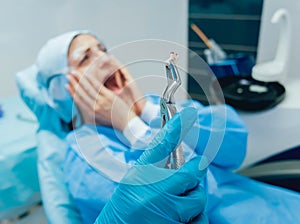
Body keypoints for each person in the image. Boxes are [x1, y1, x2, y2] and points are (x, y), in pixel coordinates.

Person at [32, 30, 300, 224]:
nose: (105, 59)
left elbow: (232, 142)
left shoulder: (150, 104)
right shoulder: (84, 151)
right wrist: (130, 126)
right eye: (86, 58)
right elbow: (192, 194)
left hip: (273, 204)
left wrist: (147, 113)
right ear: (62, 90)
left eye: (103, 49)